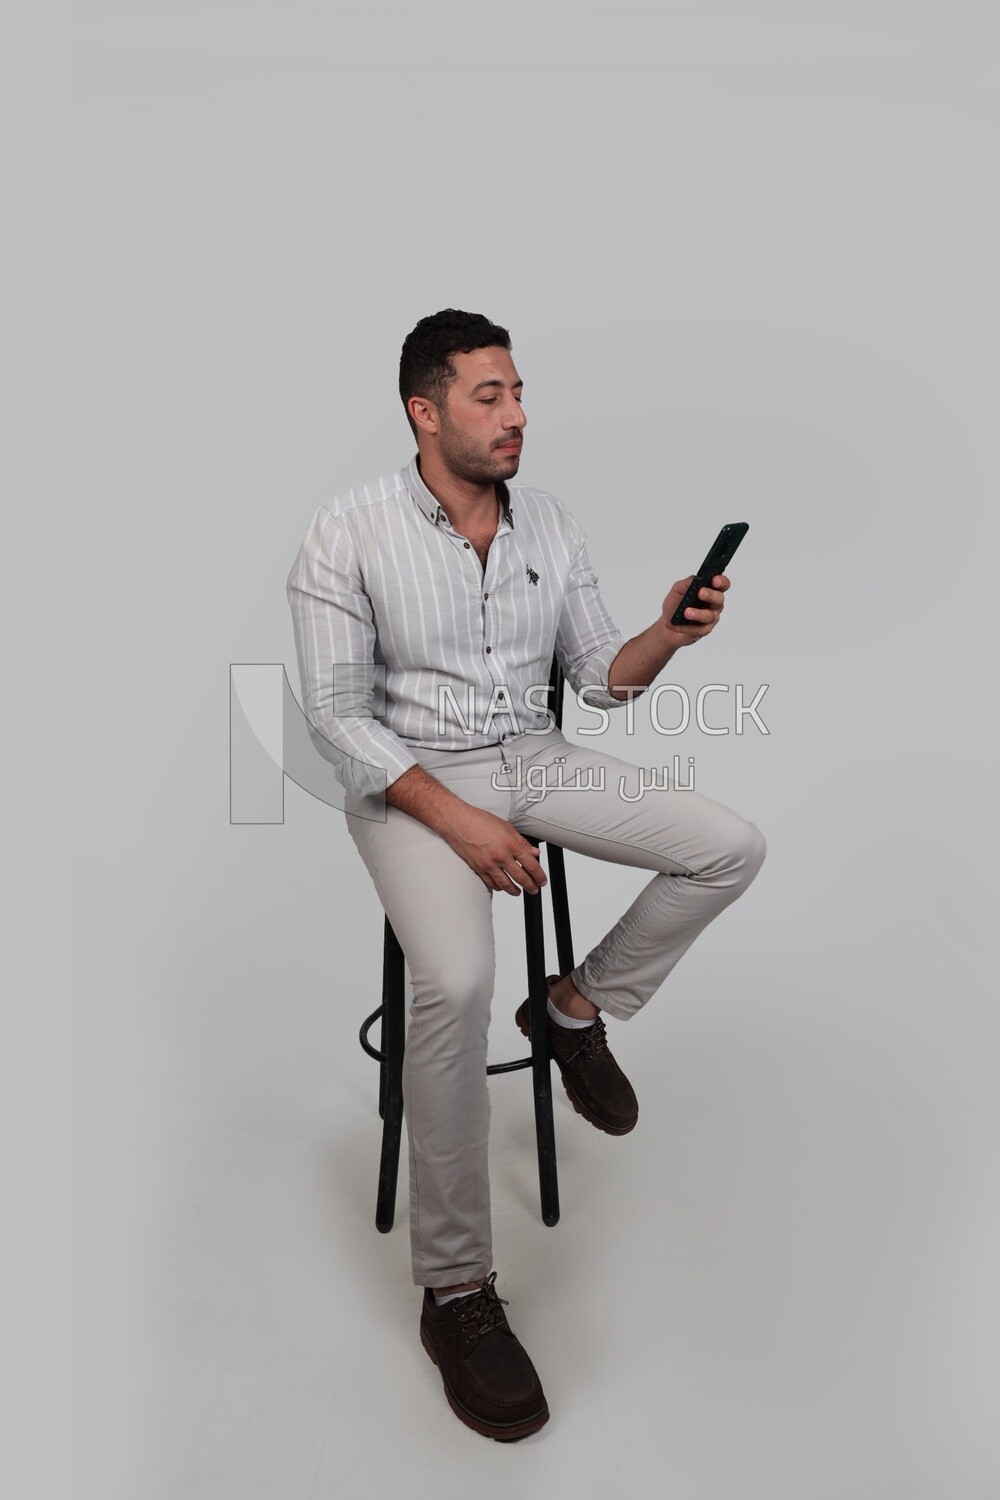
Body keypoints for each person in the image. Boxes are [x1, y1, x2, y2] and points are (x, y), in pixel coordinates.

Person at [286, 308, 767, 1441]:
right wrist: (460, 825)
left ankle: (570, 1008)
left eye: (518, 395)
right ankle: (455, 1292)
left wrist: (669, 635)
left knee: (727, 846)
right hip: (413, 784)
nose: (516, 416)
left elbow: (602, 678)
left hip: (533, 759)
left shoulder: (546, 516)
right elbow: (336, 723)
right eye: (490, 396)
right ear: (426, 407)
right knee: (448, 982)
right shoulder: (346, 532)